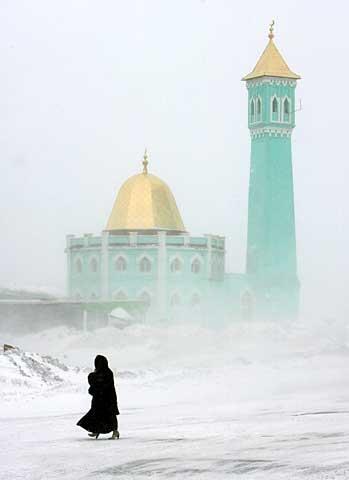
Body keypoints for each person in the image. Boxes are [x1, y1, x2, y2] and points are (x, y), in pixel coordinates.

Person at [77, 355, 120, 439]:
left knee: (110, 415)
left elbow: (102, 384)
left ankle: (115, 432)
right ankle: (96, 430)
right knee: (96, 415)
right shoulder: (98, 373)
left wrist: (95, 379)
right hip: (99, 399)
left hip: (108, 399)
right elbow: (94, 382)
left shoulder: (107, 372)